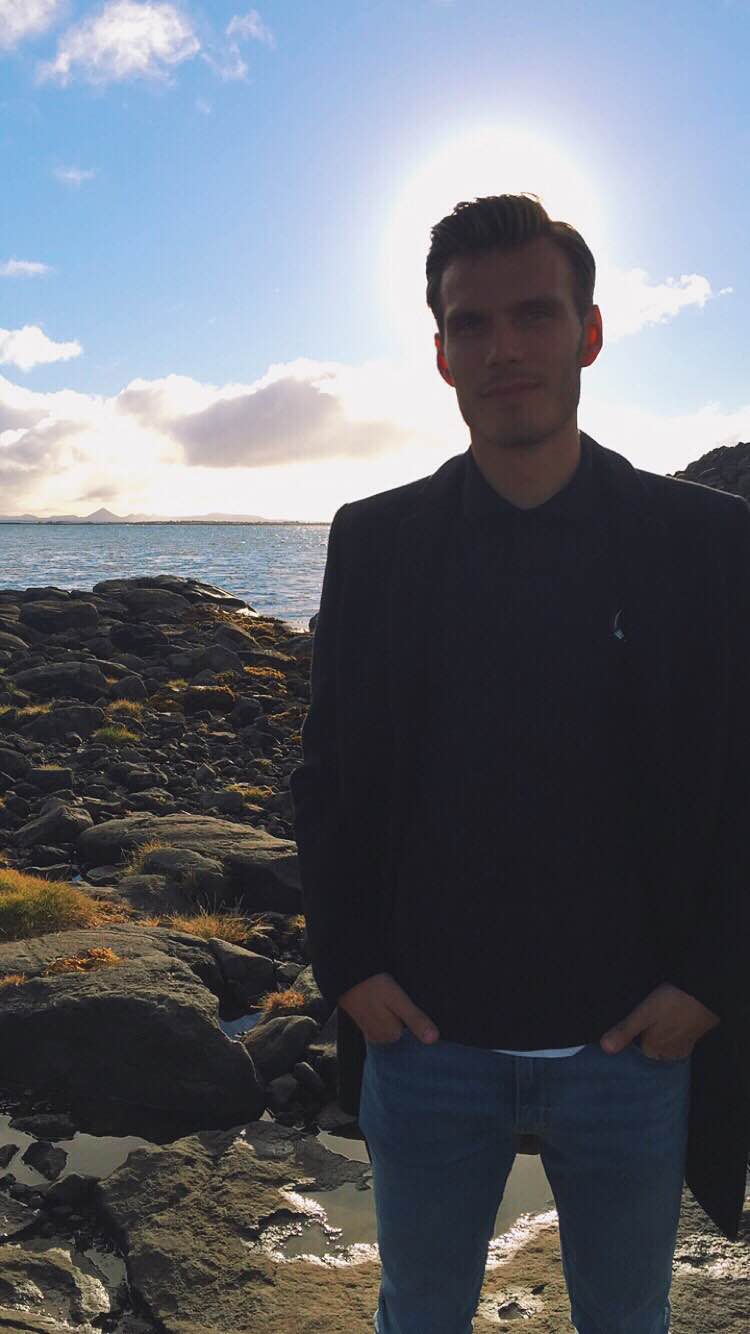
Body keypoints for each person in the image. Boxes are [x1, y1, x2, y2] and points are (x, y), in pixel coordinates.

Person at [290, 194, 750, 1334]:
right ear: (442, 352)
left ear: (588, 333)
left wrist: (713, 981)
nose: (504, 348)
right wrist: (347, 964)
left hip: (634, 1050)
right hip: (425, 1045)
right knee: (419, 1313)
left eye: (534, 315)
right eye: (473, 324)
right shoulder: (375, 541)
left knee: (628, 1319)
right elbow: (328, 775)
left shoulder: (707, 542)